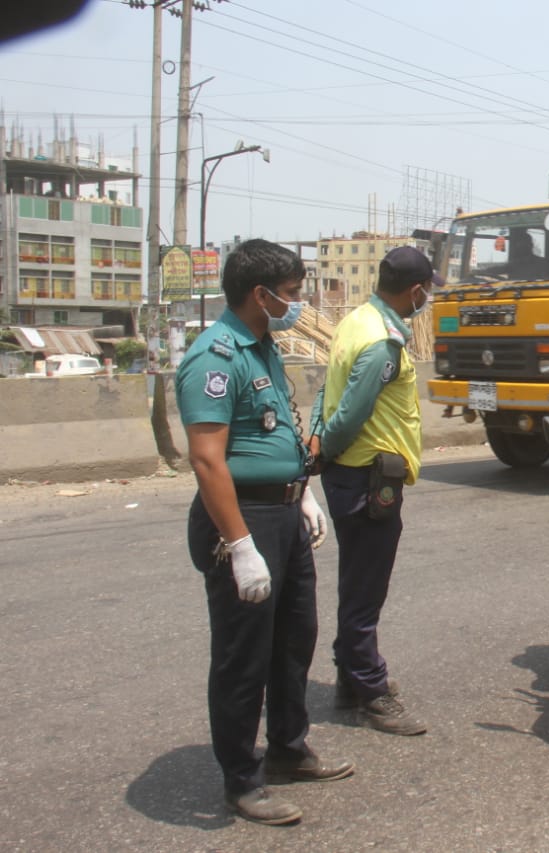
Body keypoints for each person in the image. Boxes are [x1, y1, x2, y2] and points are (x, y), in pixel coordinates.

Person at [176, 239, 353, 826]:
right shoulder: (216, 357)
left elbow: (274, 432)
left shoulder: (263, 348)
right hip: (243, 520)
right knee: (243, 656)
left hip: (283, 512)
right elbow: (208, 460)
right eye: (293, 293)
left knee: (294, 639)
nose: (298, 304)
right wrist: (240, 546)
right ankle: (242, 781)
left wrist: (302, 493)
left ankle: (288, 748)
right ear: (261, 294)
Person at [309, 246, 435, 736]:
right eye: (427, 291)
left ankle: (349, 676)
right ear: (416, 291)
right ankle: (370, 688)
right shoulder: (382, 341)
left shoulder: (356, 321)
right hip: (366, 478)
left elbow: (327, 390)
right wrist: (326, 448)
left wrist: (321, 442)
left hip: (354, 474)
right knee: (365, 590)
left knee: (356, 582)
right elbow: (350, 414)